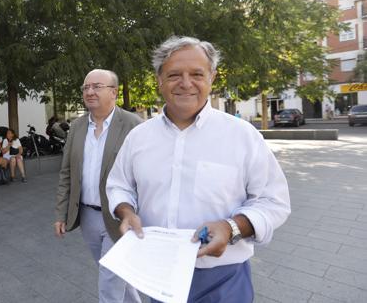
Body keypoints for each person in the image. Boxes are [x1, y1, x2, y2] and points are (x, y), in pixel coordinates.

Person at [106, 36, 291, 303]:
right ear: (159, 80)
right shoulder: (139, 137)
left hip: (224, 280)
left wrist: (231, 228)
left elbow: (274, 201)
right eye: (173, 75)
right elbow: (119, 184)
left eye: (196, 73)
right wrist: (126, 212)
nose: (185, 83)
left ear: (212, 77)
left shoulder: (242, 136)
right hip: (159, 276)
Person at [54, 69, 143, 303]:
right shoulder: (77, 127)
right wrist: (61, 213)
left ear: (113, 92)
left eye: (96, 86)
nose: (89, 92)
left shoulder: (134, 125)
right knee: (113, 271)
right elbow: (66, 173)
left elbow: (147, 175)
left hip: (118, 216)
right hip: (87, 216)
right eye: (86, 87)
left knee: (109, 280)